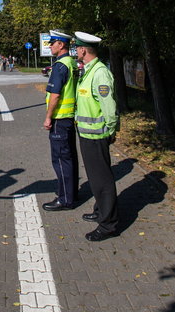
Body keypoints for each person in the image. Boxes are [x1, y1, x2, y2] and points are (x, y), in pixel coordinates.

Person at [73, 31, 119, 241]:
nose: (76, 51)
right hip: (87, 134)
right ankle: (101, 211)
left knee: (103, 181)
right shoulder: (89, 70)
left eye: (77, 48)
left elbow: (109, 107)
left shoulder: (99, 73)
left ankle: (108, 225)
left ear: (83, 49)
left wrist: (110, 130)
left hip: (97, 136)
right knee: (95, 178)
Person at [42, 30, 79, 211]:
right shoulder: (71, 63)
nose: (50, 46)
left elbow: (55, 95)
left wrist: (48, 117)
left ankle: (65, 199)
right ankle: (71, 193)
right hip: (69, 119)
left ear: (61, 45)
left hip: (60, 119)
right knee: (70, 157)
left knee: (60, 160)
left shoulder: (60, 66)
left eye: (52, 43)